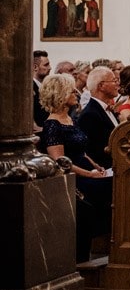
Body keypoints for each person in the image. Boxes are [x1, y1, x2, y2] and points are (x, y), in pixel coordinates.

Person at [39, 73, 112, 261]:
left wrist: (95, 165)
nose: (76, 94)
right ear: (61, 95)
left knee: (114, 184)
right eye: (72, 91)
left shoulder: (71, 119)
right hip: (74, 178)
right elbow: (60, 161)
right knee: (109, 189)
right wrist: (90, 174)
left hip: (87, 170)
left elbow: (81, 150)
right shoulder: (52, 124)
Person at [79, 66, 121, 169]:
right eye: (114, 81)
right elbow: (94, 151)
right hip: (106, 171)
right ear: (101, 86)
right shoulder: (90, 114)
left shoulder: (107, 109)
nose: (118, 84)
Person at [33, 50, 51, 129]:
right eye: (46, 65)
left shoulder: (47, 87)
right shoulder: (29, 88)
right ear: (35, 67)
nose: (50, 68)